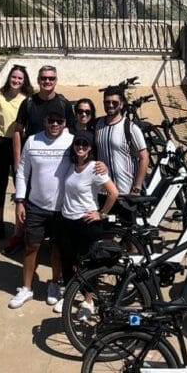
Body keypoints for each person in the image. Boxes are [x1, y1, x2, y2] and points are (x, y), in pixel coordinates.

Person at [8, 101, 72, 309]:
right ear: (44, 121)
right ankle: (26, 288)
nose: (54, 124)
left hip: (62, 208)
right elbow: (22, 173)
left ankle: (54, 284)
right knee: (31, 246)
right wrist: (20, 201)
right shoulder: (32, 141)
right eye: (51, 120)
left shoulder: (72, 142)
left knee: (57, 248)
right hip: (35, 205)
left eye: (59, 121)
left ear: (64, 123)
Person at [4, 64, 72, 255]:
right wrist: (17, 160)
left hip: (56, 161)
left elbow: (73, 133)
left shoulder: (63, 104)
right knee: (23, 196)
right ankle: (19, 234)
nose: (47, 81)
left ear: (56, 81)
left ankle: (53, 237)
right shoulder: (29, 103)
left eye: (51, 78)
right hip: (33, 157)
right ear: (38, 80)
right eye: (44, 78)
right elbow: (18, 130)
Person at [54, 130, 118, 316]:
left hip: (86, 223)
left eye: (85, 144)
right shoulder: (70, 166)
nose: (80, 147)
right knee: (68, 261)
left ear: (90, 148)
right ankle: (69, 294)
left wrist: (102, 214)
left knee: (89, 264)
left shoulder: (95, 168)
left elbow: (113, 193)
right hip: (67, 220)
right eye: (78, 143)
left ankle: (88, 301)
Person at [0, 65, 34, 240]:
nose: (16, 81)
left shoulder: (28, 99)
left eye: (20, 78)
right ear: (9, 77)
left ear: (24, 81)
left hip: (21, 143)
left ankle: (21, 225)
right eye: (14, 77)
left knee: (21, 183)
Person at [94, 85, 149, 222]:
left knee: (128, 237)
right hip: (104, 192)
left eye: (114, 102)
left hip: (126, 192)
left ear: (122, 103)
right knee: (107, 235)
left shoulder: (130, 127)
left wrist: (136, 188)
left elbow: (144, 158)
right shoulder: (97, 124)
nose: (110, 105)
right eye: (107, 102)